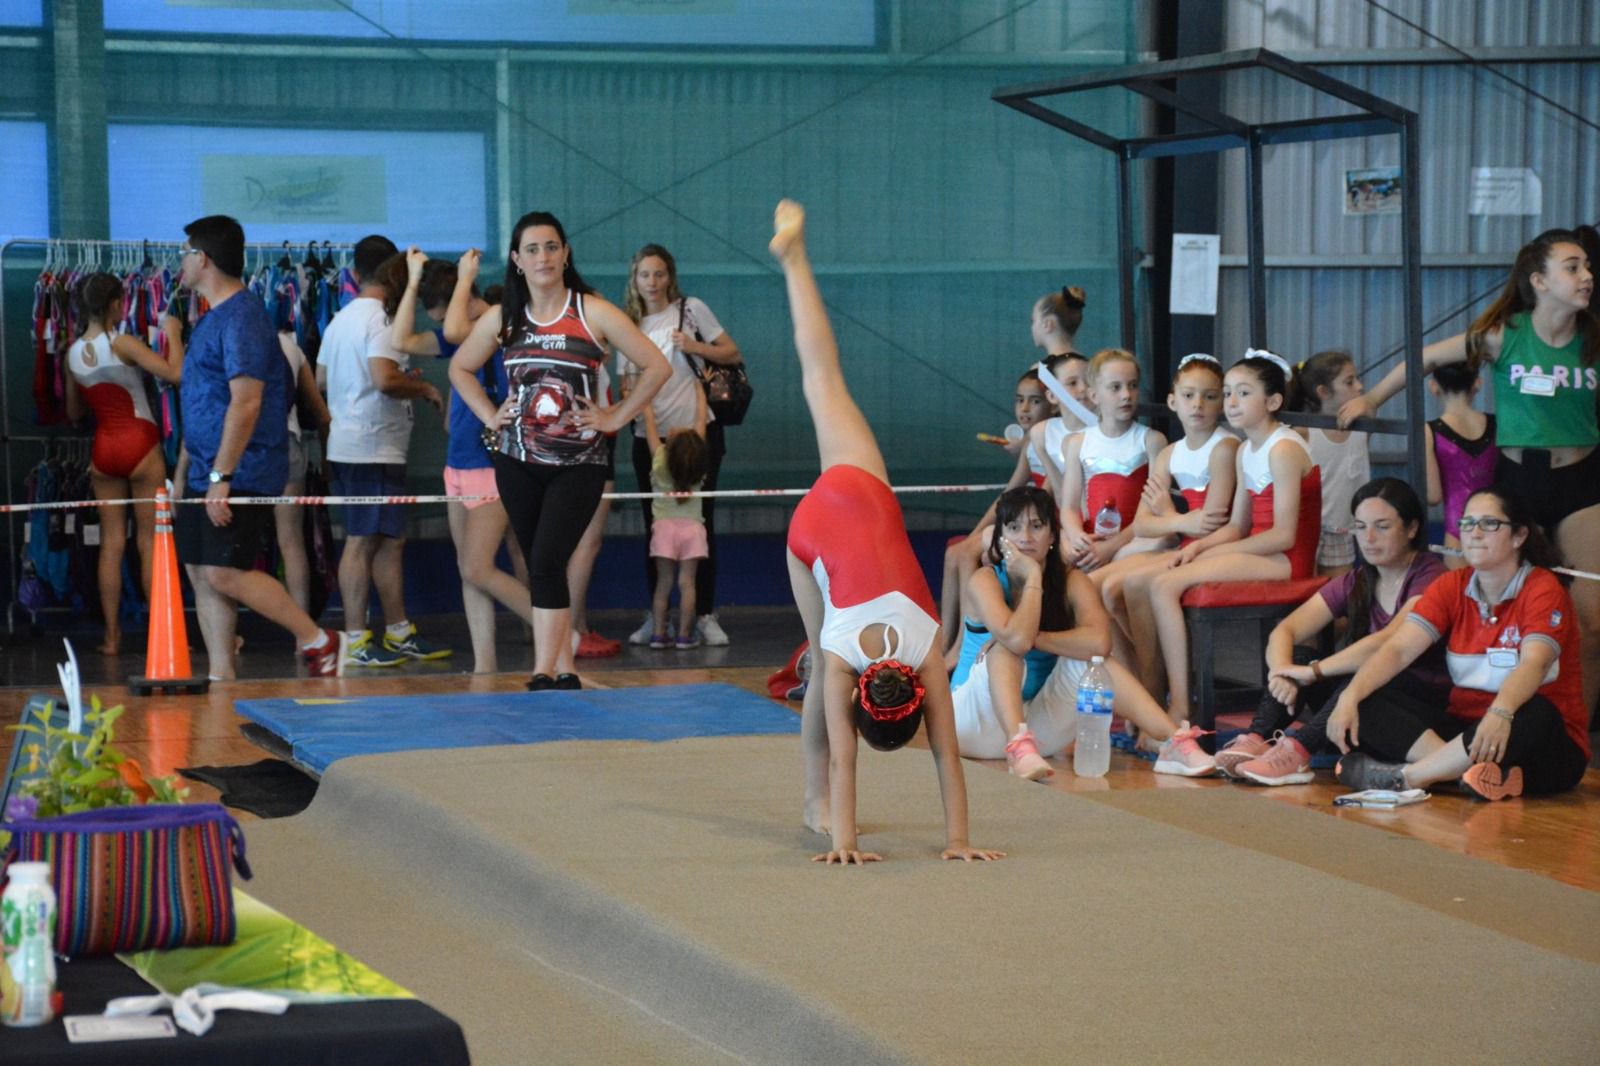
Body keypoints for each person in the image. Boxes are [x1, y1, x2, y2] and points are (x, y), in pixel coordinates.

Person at [774, 198, 1002, 865]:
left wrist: (960, 839)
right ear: (865, 702)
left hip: (859, 491)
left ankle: (795, 261)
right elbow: (876, 765)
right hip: (809, 534)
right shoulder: (848, 662)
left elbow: (948, 763)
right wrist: (858, 845)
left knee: (824, 376)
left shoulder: (930, 650)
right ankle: (812, 803)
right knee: (817, 663)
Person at [1339, 229, 1598, 716]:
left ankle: (1575, 731)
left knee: (1592, 622)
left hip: (1582, 481)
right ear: (1539, 281)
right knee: (1512, 604)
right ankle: (1500, 713)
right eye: (1573, 267)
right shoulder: (1506, 335)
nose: (1586, 277)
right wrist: (1372, 398)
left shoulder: (1592, 340)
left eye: (1588, 267)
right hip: (1520, 481)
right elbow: (1424, 357)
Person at [449, 210, 670, 691]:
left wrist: (615, 416)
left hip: (579, 462)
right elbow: (460, 368)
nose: (543, 257)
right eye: (532, 249)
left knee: (549, 557)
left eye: (551, 247)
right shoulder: (505, 316)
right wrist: (491, 415)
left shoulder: (592, 311)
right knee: (538, 561)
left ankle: (544, 671)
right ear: (516, 260)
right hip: (515, 460)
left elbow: (656, 366)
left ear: (565, 253)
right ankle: (562, 666)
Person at [1328, 487, 1589, 801]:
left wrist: (1501, 713)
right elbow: (1398, 650)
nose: (1475, 533)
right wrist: (1350, 696)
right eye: (1467, 524)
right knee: (1368, 698)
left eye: (1489, 524)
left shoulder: (1542, 589)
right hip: (1468, 731)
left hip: (1536, 738)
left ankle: (1408, 777)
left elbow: (1535, 662)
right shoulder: (1452, 585)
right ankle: (1465, 773)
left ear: (1518, 536)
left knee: (1536, 712)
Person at [172, 214, 343, 677]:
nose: (180, 263)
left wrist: (221, 477)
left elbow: (246, 402)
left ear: (202, 258)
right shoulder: (209, 319)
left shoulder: (244, 317)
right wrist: (186, 471)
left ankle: (317, 638)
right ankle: (220, 674)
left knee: (222, 572)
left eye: (185, 253)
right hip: (204, 469)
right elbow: (202, 403)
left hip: (239, 471)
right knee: (200, 570)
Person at [949, 485, 1213, 780]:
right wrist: (1033, 576)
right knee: (1006, 649)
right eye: (1014, 527)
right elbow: (1018, 641)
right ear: (1001, 537)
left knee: (1095, 663)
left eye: (1037, 526)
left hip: (1038, 732)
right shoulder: (984, 580)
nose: (1025, 537)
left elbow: (1100, 642)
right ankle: (1018, 746)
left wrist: (1040, 638)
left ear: (1052, 536)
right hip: (971, 723)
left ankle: (1174, 742)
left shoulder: (1071, 582)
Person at [1123, 351, 1321, 716]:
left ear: (1273, 401)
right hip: (1260, 552)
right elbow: (1236, 526)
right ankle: (1164, 695)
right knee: (1155, 579)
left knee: (1164, 584)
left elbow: (1284, 536)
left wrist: (1211, 553)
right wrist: (1202, 549)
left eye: (1243, 393)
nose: (1231, 402)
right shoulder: (1247, 449)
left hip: (1285, 560)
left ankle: (1180, 706)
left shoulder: (1284, 449)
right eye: (1228, 393)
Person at [1214, 478, 1449, 784]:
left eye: (1382, 526)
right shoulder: (1359, 580)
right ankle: (1256, 739)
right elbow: (1285, 630)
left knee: (1358, 676)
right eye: (1361, 527)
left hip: (1413, 702)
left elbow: (1388, 641)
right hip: (1364, 695)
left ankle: (1296, 753)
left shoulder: (1431, 578)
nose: (1370, 538)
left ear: (1412, 528)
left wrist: (1314, 671)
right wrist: (1283, 671)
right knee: (1297, 656)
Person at [391, 248, 534, 673]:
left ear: (467, 297)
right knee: (469, 569)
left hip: (493, 462)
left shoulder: (499, 326)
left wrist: (465, 277)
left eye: (442, 313)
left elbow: (454, 327)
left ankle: (558, 630)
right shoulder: (460, 333)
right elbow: (401, 340)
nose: (440, 326)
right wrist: (414, 281)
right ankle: (484, 664)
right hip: (460, 463)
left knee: (479, 566)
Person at [322, 236, 448, 668]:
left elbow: (322, 379)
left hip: (364, 443)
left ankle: (397, 632)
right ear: (394, 272)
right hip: (368, 446)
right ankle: (355, 639)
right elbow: (383, 378)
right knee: (361, 541)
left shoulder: (340, 318)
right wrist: (426, 387)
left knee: (391, 540)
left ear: (355, 274)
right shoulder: (380, 319)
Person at [621, 244, 742, 649]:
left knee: (699, 526)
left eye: (658, 274)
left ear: (670, 276)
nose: (652, 283)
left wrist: (694, 347)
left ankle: (703, 614)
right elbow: (625, 383)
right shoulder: (628, 324)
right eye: (644, 275)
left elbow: (731, 352)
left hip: (697, 439)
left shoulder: (692, 310)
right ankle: (657, 617)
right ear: (634, 280)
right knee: (655, 527)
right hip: (649, 440)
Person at [63, 272, 184, 655]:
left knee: (111, 544)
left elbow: (73, 411)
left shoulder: (71, 352)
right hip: (140, 444)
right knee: (150, 543)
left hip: (104, 450)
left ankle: (112, 638)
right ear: (116, 303)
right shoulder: (123, 342)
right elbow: (175, 374)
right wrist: (174, 334)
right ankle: (157, 633)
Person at [1093, 353, 1236, 669]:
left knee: (1125, 585)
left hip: (1208, 549)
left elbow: (1208, 527)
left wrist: (1169, 517)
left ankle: (1156, 677)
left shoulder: (1224, 448)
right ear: (1173, 401)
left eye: (1209, 396)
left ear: (1222, 403)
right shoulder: (1171, 453)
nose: (1198, 404)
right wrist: (1178, 518)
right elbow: (1144, 524)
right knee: (1093, 587)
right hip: (1183, 540)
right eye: (1188, 396)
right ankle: (1142, 675)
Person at [937, 368, 1052, 658]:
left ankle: (963, 642)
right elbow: (1008, 495)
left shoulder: (1054, 441)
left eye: (1034, 401)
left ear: (1052, 401)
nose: (1024, 409)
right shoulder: (1030, 443)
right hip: (1020, 516)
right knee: (956, 551)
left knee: (966, 555)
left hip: (1039, 523)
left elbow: (1045, 500)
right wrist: (976, 532)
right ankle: (943, 639)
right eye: (1019, 400)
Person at [1058, 349, 1167, 573]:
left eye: (1133, 385)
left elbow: (1153, 511)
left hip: (1135, 539)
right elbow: (1068, 508)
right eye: (1115, 387)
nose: (1126, 394)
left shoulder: (1151, 441)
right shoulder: (1078, 443)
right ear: (1094, 395)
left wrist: (1112, 547)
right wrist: (1077, 536)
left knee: (1162, 542)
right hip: (1093, 537)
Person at [1294, 350, 1370, 578]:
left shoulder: (1363, 428)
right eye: (1349, 382)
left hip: (1342, 530)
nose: (1360, 386)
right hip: (1308, 530)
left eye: (1357, 378)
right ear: (1323, 392)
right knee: (1305, 592)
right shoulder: (1303, 434)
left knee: (1341, 600)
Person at [643, 397, 709, 648]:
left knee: (664, 583)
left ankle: (658, 634)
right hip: (693, 528)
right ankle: (684, 635)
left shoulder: (659, 459)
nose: (672, 428)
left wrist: (645, 396)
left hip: (663, 528)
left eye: (677, 431)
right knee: (687, 583)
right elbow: (701, 421)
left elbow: (649, 423)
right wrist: (699, 391)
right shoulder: (698, 464)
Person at [1423, 361, 1496, 570]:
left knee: (1462, 598)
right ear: (1478, 383)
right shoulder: (1496, 425)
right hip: (1498, 525)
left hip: (1458, 528)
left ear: (1433, 386)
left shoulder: (1429, 431)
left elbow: (1433, 496)